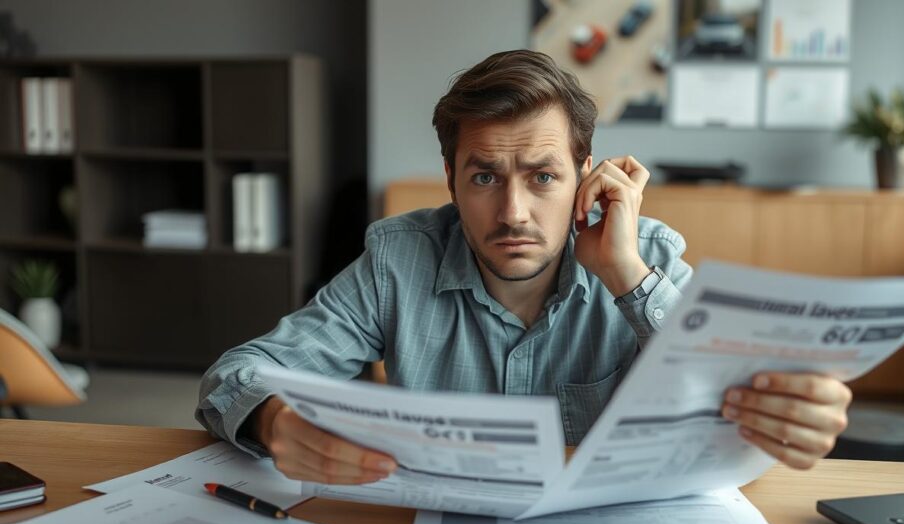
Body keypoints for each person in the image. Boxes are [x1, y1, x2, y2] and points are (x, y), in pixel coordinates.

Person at [197, 49, 851, 486]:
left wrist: (623, 272)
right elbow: (235, 374)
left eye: (542, 177)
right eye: (485, 175)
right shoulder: (397, 260)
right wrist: (273, 420)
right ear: (450, 179)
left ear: (584, 176)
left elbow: (735, 394)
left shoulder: (642, 254)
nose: (513, 211)